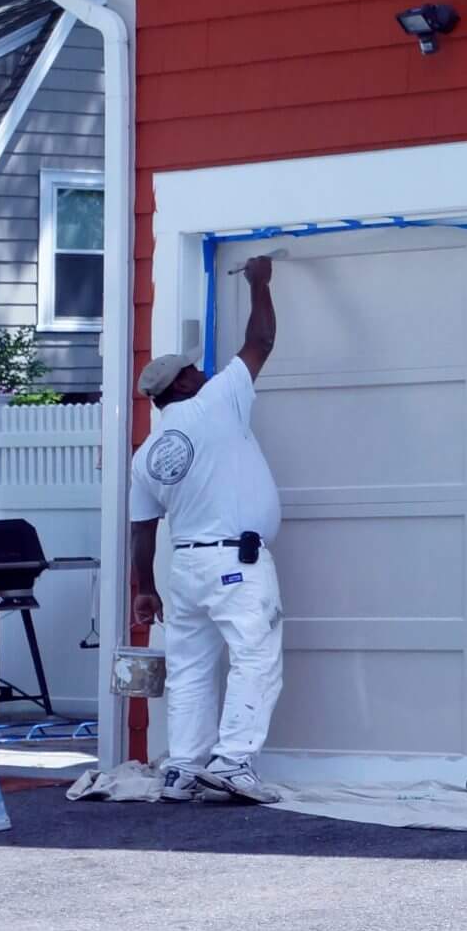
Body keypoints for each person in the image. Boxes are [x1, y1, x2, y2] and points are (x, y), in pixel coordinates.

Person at [129, 255, 282, 804]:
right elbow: (260, 340)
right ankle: (235, 762)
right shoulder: (218, 401)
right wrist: (261, 284)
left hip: (185, 568)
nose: (207, 371)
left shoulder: (146, 455)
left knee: (190, 668)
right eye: (197, 369)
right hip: (236, 565)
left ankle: (182, 769)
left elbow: (142, 528)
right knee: (254, 656)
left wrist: (144, 588)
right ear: (187, 382)